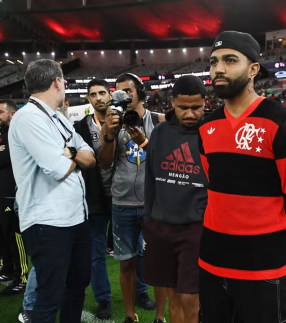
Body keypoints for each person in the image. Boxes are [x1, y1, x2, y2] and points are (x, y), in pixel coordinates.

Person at [198, 30, 286, 323]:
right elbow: (215, 186)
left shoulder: (282, 122)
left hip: (262, 266)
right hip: (211, 261)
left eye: (230, 60)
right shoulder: (206, 127)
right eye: (213, 62)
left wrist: (269, 246)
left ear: (253, 70)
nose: (218, 69)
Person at [9, 59, 96, 322]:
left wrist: (70, 153)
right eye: (64, 83)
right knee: (49, 296)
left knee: (77, 286)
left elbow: (90, 156)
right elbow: (58, 168)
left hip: (77, 218)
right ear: (57, 82)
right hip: (47, 222)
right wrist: (75, 155)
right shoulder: (27, 117)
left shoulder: (57, 117)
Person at [99, 73, 166, 323]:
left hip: (154, 205)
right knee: (126, 264)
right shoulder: (113, 125)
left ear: (141, 91)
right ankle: (129, 316)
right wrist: (108, 132)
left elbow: (167, 163)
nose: (123, 96)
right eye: (118, 93)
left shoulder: (158, 121)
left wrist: (146, 141)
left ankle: (160, 317)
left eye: (128, 91)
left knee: (158, 264)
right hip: (123, 204)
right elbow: (105, 164)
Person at [144, 75, 208, 323]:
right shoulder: (160, 133)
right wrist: (149, 220)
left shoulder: (211, 132)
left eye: (196, 107)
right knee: (173, 296)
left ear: (205, 102)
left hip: (196, 228)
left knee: (192, 298)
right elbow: (150, 179)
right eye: (183, 108)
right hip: (161, 227)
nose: (190, 113)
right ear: (172, 103)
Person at [71, 79, 114, 319]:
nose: (98, 97)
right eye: (92, 94)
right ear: (88, 99)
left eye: (101, 93)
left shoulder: (124, 121)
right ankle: (104, 299)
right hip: (95, 197)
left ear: (110, 94)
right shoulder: (79, 127)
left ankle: (140, 291)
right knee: (97, 253)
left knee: (135, 251)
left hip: (124, 196)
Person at [0, 99, 29, 296]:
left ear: (11, 114)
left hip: (10, 194)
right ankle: (7, 268)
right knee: (1, 235)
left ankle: (23, 277)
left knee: (14, 236)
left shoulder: (15, 134)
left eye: (0, 112)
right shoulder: (0, 135)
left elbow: (2, 159)